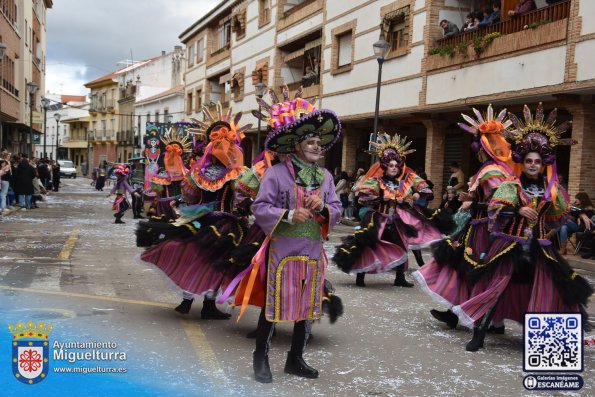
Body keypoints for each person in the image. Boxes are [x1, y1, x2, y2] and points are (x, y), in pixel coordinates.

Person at [453, 103, 591, 351]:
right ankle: (479, 333)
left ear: (544, 162)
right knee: (496, 287)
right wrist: (516, 209)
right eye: (528, 160)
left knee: (550, 288)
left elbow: (562, 210)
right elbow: (495, 206)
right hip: (509, 243)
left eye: (537, 161)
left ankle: (546, 338)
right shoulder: (511, 184)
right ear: (522, 161)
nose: (533, 165)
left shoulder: (552, 188)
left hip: (539, 246)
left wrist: (580, 214)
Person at [228, 95, 343, 383]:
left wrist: (325, 208)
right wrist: (290, 215)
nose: (317, 146)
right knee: (275, 304)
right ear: (296, 145)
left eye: (319, 142)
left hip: (313, 250)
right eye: (311, 142)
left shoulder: (326, 176)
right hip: (283, 250)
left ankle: (295, 360)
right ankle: (260, 359)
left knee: (308, 305)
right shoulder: (277, 174)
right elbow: (260, 207)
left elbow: (338, 208)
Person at [137, 104, 250, 320]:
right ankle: (206, 305)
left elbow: (189, 196)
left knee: (194, 258)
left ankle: (187, 301)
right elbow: (240, 198)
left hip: (200, 220)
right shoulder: (235, 173)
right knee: (217, 263)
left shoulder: (200, 172)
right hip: (225, 225)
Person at [413, 104, 516, 333]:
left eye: (480, 147)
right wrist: (471, 196)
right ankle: (464, 315)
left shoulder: (493, 171)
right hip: (477, 227)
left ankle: (479, 317)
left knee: (475, 272)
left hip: (485, 230)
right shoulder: (494, 169)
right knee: (463, 269)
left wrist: (474, 201)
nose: (477, 151)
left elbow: (498, 204)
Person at [334, 133, 453, 288]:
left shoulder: (407, 181)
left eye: (397, 166)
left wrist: (415, 195)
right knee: (368, 245)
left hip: (398, 219)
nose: (394, 168)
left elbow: (427, 191)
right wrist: (380, 198)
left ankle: (399, 277)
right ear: (384, 166)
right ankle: (361, 276)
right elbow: (362, 198)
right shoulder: (376, 181)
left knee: (401, 245)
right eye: (390, 165)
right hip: (378, 218)